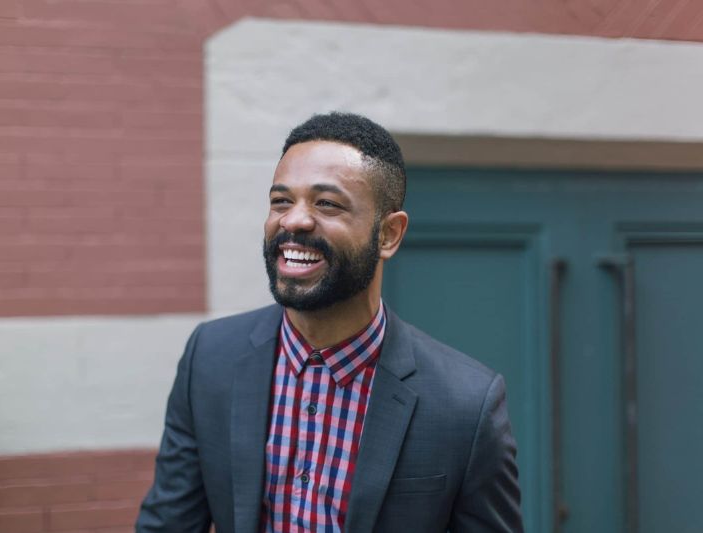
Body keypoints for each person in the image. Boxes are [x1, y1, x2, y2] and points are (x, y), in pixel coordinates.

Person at [136, 112, 522, 532]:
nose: (294, 220)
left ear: (388, 234)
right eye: (281, 200)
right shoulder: (209, 359)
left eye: (327, 203)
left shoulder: (466, 405)